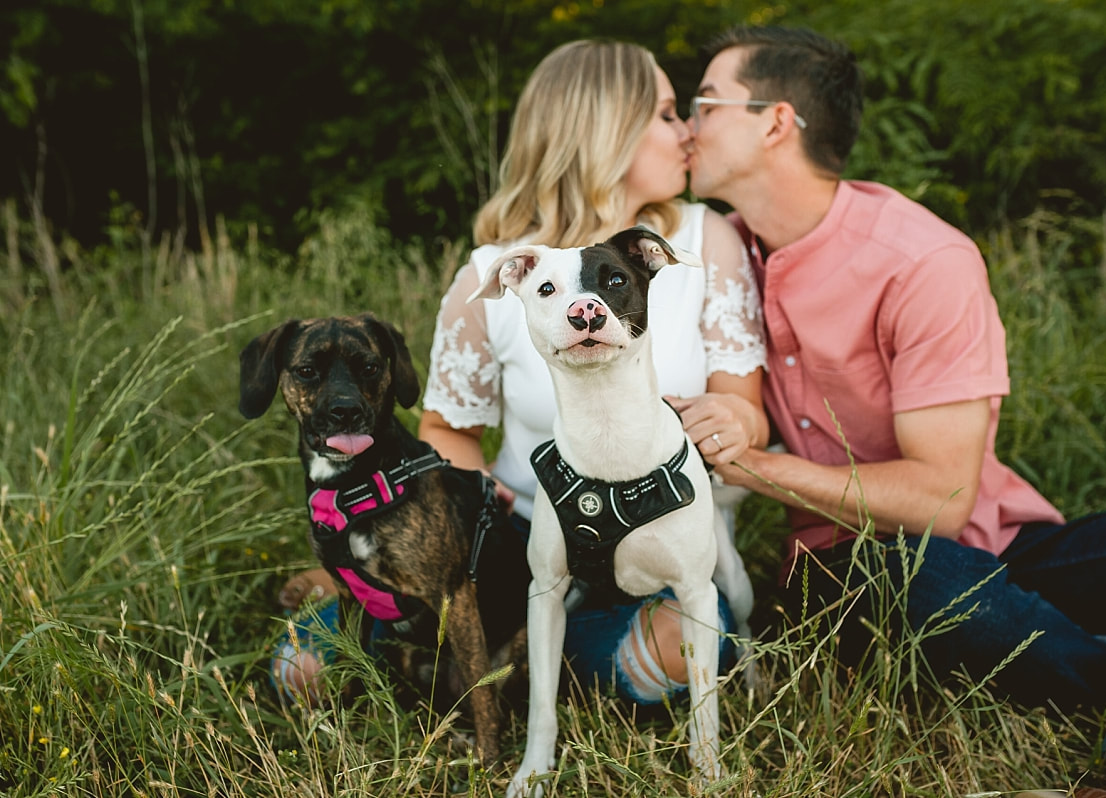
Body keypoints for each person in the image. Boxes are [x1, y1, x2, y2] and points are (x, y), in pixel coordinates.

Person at [685, 24, 1106, 796]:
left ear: (775, 121)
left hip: (997, 540)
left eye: (703, 105)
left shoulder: (920, 260)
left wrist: (752, 466)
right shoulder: (709, 255)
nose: (686, 127)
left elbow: (946, 500)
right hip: (856, 572)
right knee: (909, 575)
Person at [273, 39, 769, 708]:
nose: (686, 133)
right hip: (519, 547)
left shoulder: (704, 244)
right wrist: (473, 490)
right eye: (666, 113)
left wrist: (732, 420)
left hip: (660, 542)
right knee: (309, 679)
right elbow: (446, 430)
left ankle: (526, 664)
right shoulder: (495, 273)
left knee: (683, 646)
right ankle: (408, 618)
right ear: (605, 131)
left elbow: (747, 408)